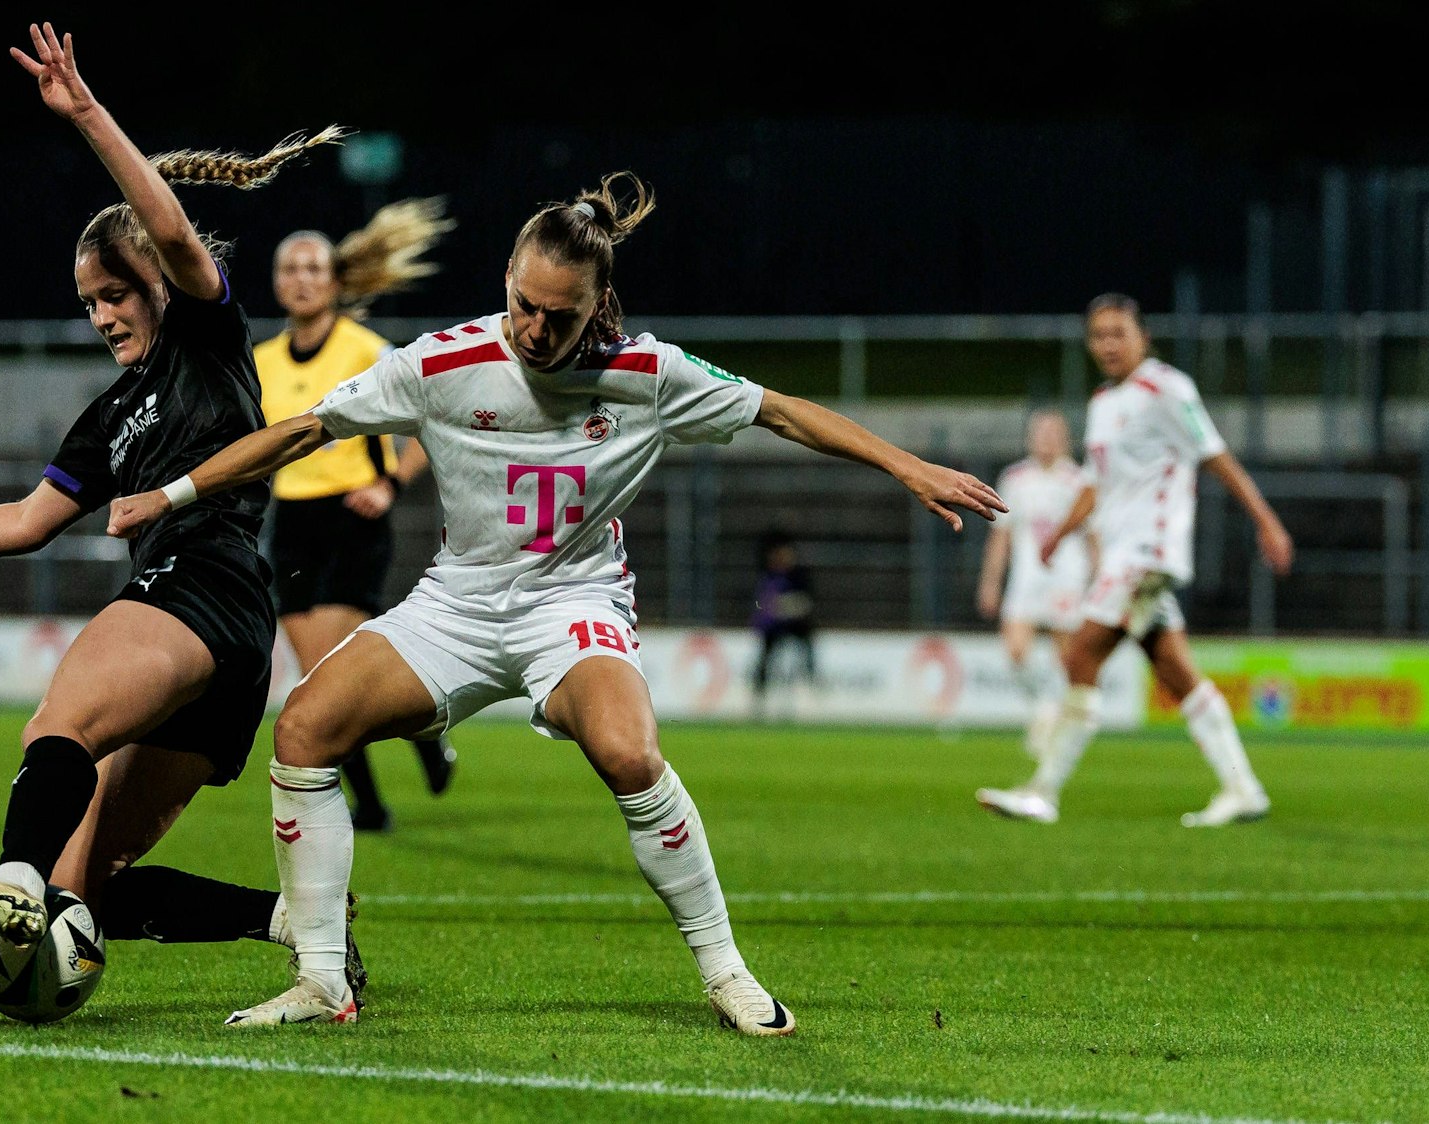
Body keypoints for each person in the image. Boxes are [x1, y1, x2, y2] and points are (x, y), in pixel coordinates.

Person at [107, 174, 1005, 1032]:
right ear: (506, 281)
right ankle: (321, 979)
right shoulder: (443, 362)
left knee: (626, 750)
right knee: (302, 730)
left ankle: (727, 971)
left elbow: (780, 412)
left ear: (599, 303)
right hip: (453, 607)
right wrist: (173, 494)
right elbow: (301, 430)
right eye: (522, 306)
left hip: (571, 605)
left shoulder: (650, 373)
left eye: (559, 314)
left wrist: (907, 465)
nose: (535, 330)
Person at [0, 24, 362, 996]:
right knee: (90, 883)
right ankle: (301, 922)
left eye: (113, 294)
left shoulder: (206, 337)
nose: (101, 317)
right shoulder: (107, 416)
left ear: (155, 287)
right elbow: (22, 520)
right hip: (229, 639)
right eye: (87, 302)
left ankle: (8, 880)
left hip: (200, 581)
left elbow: (172, 230)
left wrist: (85, 113)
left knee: (56, 726)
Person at [977, 294, 1293, 827]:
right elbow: (1096, 486)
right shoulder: (1103, 404)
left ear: (1143, 336)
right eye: (1097, 335)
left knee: (1080, 657)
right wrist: (1058, 534)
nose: (1107, 344)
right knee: (1177, 672)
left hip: (1149, 552)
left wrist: (1266, 519)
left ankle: (1042, 791)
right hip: (1123, 554)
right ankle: (1243, 789)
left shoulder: (1167, 389)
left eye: (1117, 333)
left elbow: (1216, 457)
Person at [258, 203, 457, 831]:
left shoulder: (366, 350)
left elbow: (432, 422)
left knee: (332, 674)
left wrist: (390, 484)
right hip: (290, 523)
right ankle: (413, 752)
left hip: (352, 520)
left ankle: (376, 798)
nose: (301, 278)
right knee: (323, 680)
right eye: (290, 268)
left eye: (313, 267)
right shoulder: (262, 361)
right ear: (276, 282)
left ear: (335, 281)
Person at [975, 410, 1093, 760]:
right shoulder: (1015, 478)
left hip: (1067, 577)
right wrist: (990, 583)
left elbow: (1093, 536)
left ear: (1065, 439)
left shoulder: (1078, 479)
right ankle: (1045, 708)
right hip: (1027, 579)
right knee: (1015, 650)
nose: (1046, 439)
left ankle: (1051, 719)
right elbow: (1001, 538)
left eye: (1053, 433)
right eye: (1040, 433)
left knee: (1065, 656)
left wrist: (1099, 579)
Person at [747, 530, 816, 717]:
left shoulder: (798, 576)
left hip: (795, 626)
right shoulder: (768, 575)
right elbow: (760, 603)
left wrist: (785, 606)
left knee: (804, 651)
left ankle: (811, 685)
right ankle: (759, 698)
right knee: (765, 658)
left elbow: (807, 603)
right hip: (774, 628)